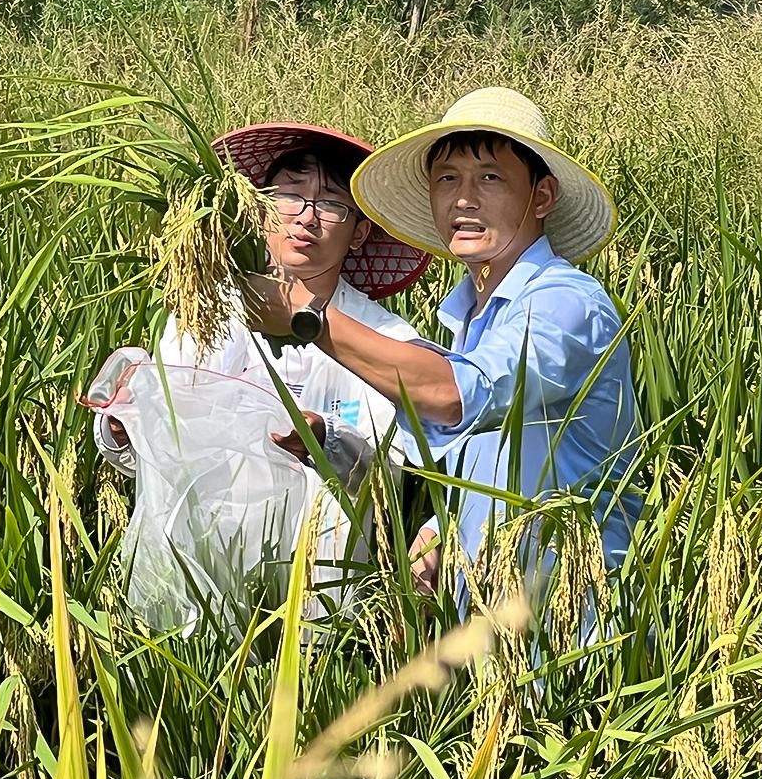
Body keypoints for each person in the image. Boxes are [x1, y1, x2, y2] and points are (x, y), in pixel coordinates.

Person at [245, 88, 641, 634]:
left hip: (572, 624)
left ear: (542, 196)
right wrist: (440, 531)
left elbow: (458, 396)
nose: (464, 199)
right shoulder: (470, 321)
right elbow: (487, 457)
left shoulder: (566, 302)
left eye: (490, 178)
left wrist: (304, 312)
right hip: (486, 623)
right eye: (448, 179)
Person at [94, 123, 432, 614]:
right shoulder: (205, 316)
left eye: (332, 204)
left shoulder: (389, 341)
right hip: (204, 578)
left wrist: (327, 439)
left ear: (359, 232)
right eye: (289, 197)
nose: (306, 218)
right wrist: (125, 425)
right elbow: (162, 456)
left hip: (325, 587)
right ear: (259, 212)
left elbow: (393, 475)